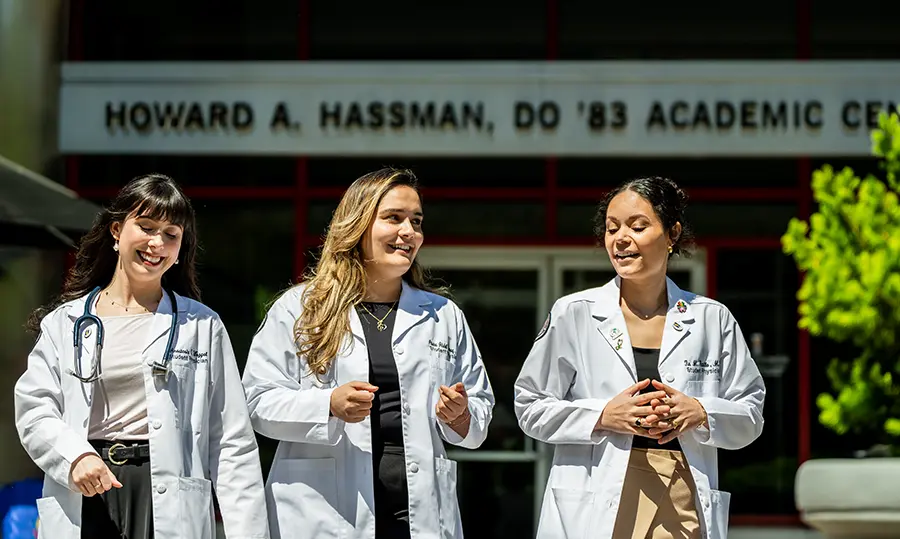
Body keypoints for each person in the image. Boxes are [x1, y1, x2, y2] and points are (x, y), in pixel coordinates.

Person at [242, 167, 494, 539]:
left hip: (416, 514)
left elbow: (479, 416)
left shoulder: (442, 316)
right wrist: (328, 404)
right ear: (357, 225)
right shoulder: (300, 308)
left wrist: (460, 416)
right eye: (393, 218)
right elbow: (256, 402)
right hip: (324, 512)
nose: (409, 232)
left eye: (417, 222)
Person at [15, 174, 269, 539]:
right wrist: (74, 456)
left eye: (171, 234)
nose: (157, 243)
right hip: (88, 482)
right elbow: (34, 408)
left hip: (165, 494)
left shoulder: (201, 325)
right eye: (146, 227)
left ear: (181, 247)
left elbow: (231, 441)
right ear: (117, 230)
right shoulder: (66, 323)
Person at [514, 176, 765, 539]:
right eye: (612, 228)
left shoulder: (712, 318)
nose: (620, 238)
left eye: (638, 226)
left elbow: (751, 412)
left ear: (672, 233)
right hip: (597, 491)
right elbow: (529, 405)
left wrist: (701, 412)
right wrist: (602, 416)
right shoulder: (575, 312)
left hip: (680, 490)